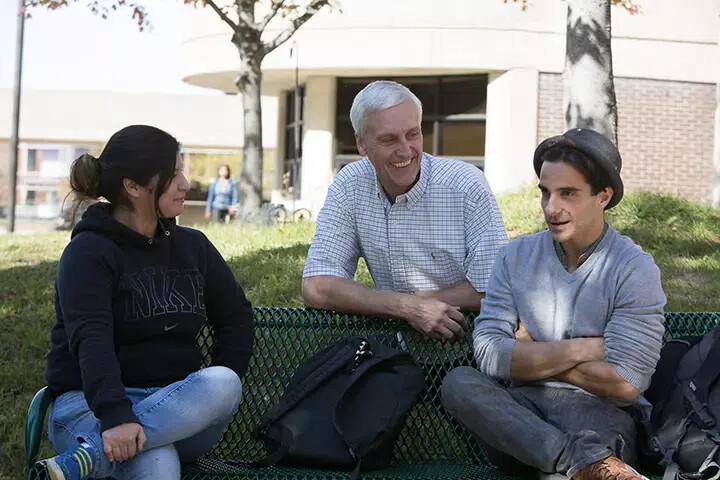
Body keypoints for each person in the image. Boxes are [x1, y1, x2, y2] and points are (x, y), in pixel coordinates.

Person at [441, 128, 667, 480]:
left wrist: (532, 353)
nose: (551, 207)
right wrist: (587, 348)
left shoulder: (633, 268)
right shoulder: (514, 257)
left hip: (598, 419)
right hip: (521, 419)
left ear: (603, 197)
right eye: (545, 193)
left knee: (563, 466)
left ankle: (571, 463)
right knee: (459, 383)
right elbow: (488, 354)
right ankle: (578, 461)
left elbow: (626, 382)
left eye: (568, 194)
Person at [36, 125, 255, 480]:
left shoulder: (194, 247)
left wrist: (192, 409)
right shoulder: (89, 253)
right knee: (159, 466)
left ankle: (90, 457)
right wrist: (116, 415)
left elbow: (236, 319)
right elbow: (91, 339)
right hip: (89, 408)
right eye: (173, 175)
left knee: (224, 382)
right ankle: (113, 443)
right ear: (132, 186)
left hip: (176, 408)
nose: (185, 183)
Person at [302, 80, 507, 341]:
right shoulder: (349, 185)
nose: (406, 150)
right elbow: (316, 286)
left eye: (413, 134)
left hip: (469, 349)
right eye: (389, 139)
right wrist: (407, 308)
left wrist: (418, 305)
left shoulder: (466, 185)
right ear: (362, 144)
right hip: (392, 355)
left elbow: (495, 289)